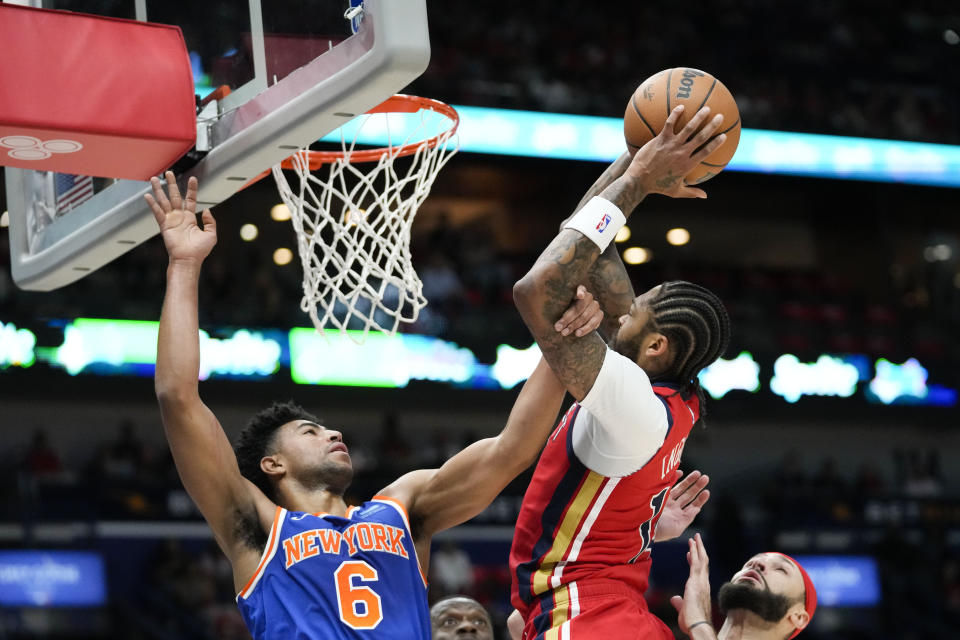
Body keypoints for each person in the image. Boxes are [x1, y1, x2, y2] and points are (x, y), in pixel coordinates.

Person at [145, 171, 604, 640]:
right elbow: (178, 396)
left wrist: (560, 338)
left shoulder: (401, 507)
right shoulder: (257, 525)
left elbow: (512, 449)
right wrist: (183, 264)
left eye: (327, 429)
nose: (334, 434)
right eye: (310, 432)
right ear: (272, 464)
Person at [509, 104, 732, 639]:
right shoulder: (669, 398)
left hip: (589, 614)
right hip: (618, 608)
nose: (623, 306)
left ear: (655, 345)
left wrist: (637, 180)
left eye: (638, 306)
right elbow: (584, 241)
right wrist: (639, 157)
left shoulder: (632, 398)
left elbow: (536, 289)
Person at [671, 534, 817, 639]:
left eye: (781, 569)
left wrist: (699, 624)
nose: (756, 564)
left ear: (798, 617)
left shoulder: (698, 629)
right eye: (749, 564)